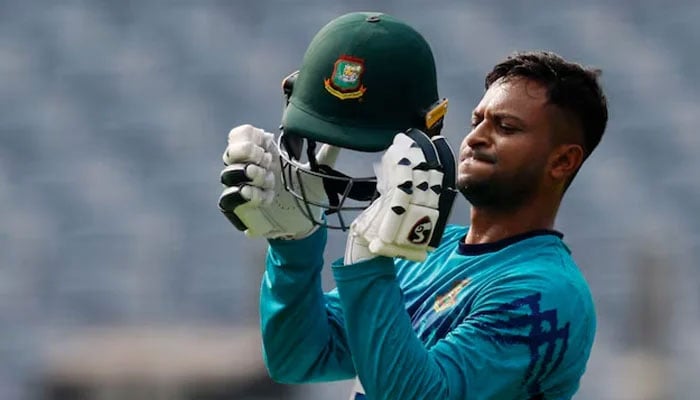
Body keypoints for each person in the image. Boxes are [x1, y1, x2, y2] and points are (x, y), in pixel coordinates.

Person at [218, 11, 608, 400]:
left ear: (562, 162)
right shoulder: (421, 254)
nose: (475, 138)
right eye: (477, 120)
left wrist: (369, 262)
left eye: (505, 128)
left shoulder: (546, 293)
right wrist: (294, 244)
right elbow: (299, 357)